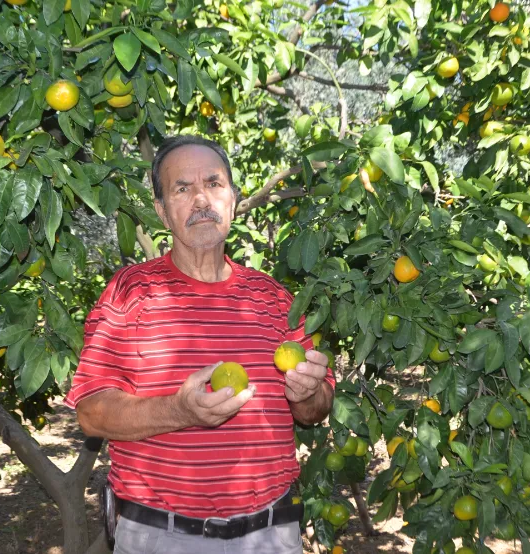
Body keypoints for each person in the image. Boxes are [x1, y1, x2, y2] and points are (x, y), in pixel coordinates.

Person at [64, 135, 335, 553]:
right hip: (162, 538)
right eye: (182, 188)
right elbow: (91, 414)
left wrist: (308, 392)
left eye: (213, 183)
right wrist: (180, 411)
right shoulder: (130, 291)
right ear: (161, 211)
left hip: (270, 535)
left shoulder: (276, 299)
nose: (201, 199)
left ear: (231, 197)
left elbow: (315, 411)